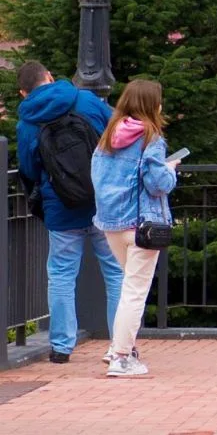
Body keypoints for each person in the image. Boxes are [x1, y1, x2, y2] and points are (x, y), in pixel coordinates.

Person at [15, 60, 123, 365]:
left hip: (61, 205)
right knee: (115, 271)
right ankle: (120, 344)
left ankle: (61, 346)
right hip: (102, 201)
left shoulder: (27, 122)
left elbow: (29, 167)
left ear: (24, 92)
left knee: (62, 274)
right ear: (49, 77)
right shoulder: (85, 99)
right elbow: (118, 133)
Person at [91, 79, 178, 377]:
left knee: (128, 286)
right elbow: (157, 185)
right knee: (134, 292)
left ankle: (119, 345)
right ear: (152, 105)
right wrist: (170, 171)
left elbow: (98, 179)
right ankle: (121, 356)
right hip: (142, 226)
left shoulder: (108, 136)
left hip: (111, 224)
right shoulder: (150, 138)